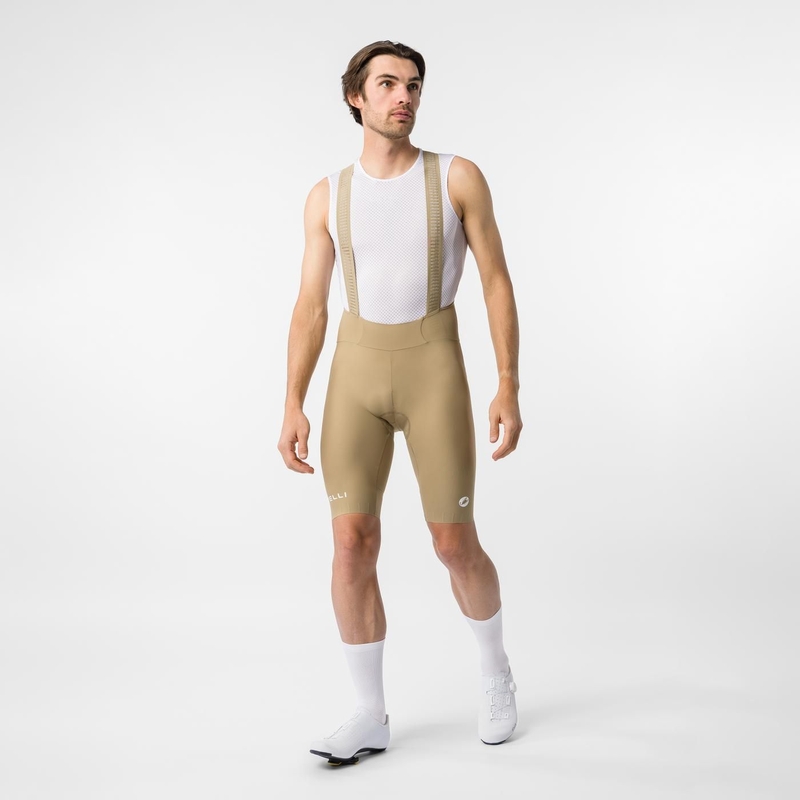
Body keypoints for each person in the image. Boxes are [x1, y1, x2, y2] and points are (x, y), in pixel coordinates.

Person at [277, 39, 523, 765]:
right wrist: (292, 401)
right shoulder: (328, 195)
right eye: (386, 84)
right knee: (351, 542)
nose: (403, 97)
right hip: (354, 371)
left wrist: (508, 381)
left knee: (453, 542)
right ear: (355, 97)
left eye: (413, 85)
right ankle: (368, 714)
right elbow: (311, 307)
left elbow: (496, 281)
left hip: (432, 365)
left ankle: (495, 672)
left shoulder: (457, 178)